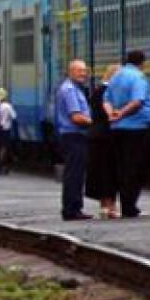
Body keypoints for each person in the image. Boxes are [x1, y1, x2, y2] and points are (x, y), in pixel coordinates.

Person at [104, 50, 150, 218]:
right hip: (136, 128)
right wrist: (121, 113)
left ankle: (127, 204)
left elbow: (106, 99)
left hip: (117, 128)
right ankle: (129, 206)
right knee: (135, 168)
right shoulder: (138, 77)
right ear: (142, 63)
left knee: (122, 167)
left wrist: (111, 114)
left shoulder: (116, 76)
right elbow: (137, 101)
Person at [55, 60, 93, 220]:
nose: (83, 74)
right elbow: (76, 117)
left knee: (76, 173)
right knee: (74, 174)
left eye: (84, 70)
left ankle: (74, 207)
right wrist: (95, 123)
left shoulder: (73, 88)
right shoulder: (70, 90)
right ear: (70, 71)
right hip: (74, 136)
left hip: (73, 136)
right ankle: (71, 209)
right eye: (79, 71)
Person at [85, 64, 120, 219]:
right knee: (109, 172)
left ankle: (105, 206)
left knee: (101, 171)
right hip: (107, 135)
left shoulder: (97, 91)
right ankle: (109, 206)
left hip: (96, 135)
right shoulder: (107, 92)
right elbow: (109, 114)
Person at [0, 88, 16, 174]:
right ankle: (0, 165)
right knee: (4, 148)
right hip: (6, 129)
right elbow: (14, 116)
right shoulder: (7, 106)